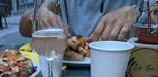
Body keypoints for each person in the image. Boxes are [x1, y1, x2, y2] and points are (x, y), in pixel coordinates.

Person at [19, 0, 152, 42]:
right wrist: (38, 15)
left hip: (128, 69)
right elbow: (23, 26)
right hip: (68, 75)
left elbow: (155, 12)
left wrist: (138, 13)